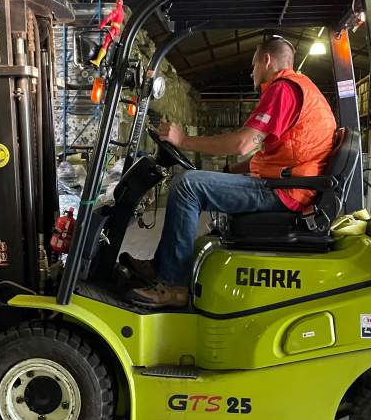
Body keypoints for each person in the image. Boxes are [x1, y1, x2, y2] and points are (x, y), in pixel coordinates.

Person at [123, 36, 337, 308]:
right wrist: (228, 171)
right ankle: (160, 266)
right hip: (291, 185)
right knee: (192, 182)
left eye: (253, 65)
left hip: (287, 191)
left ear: (266, 60)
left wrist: (183, 141)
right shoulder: (301, 89)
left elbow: (242, 143)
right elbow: (271, 153)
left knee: (187, 185)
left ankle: (175, 286)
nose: (251, 72)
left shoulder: (283, 90)